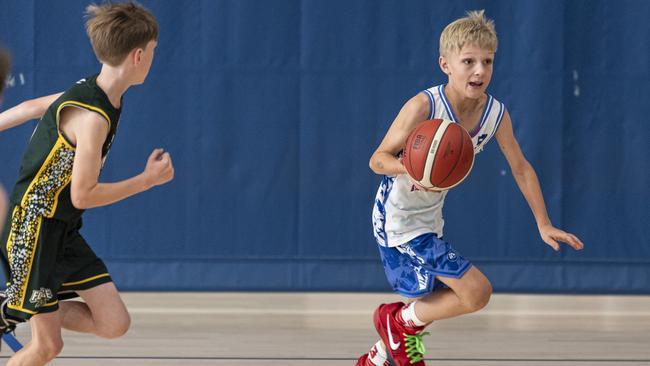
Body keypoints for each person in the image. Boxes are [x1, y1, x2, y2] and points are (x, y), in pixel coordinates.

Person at [358, 10, 584, 366]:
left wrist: (543, 222)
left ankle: (379, 355)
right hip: (397, 220)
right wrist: (411, 168)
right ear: (445, 64)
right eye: (468, 61)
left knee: (439, 298)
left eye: (487, 61)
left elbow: (521, 168)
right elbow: (377, 159)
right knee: (476, 291)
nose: (479, 70)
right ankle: (395, 322)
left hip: (430, 219)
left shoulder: (495, 115)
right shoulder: (424, 106)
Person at [0, 3, 174, 365]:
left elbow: (35, 106)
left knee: (114, 323)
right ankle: (18, 303)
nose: (154, 58)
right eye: (154, 51)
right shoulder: (93, 118)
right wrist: (146, 181)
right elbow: (84, 193)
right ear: (138, 55)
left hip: (61, 229)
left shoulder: (97, 91)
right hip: (33, 230)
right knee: (48, 347)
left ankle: (15, 305)